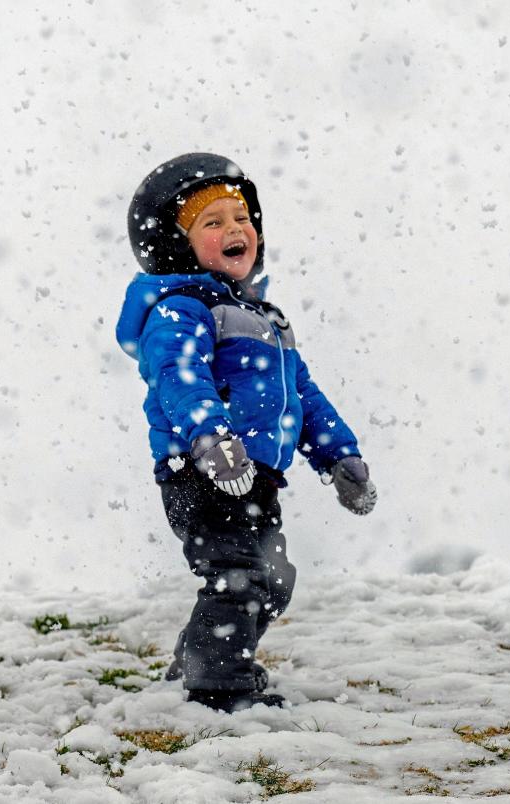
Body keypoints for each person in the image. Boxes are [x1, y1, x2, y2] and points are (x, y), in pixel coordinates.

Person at [114, 153, 377, 713]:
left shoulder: (267, 321)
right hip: (203, 470)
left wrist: (339, 457)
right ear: (177, 245)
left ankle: (195, 660)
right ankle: (219, 688)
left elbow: (303, 397)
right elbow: (178, 379)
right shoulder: (182, 310)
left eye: (241, 219)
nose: (235, 230)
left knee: (271, 580)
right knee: (238, 575)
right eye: (213, 223)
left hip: (257, 477)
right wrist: (211, 440)